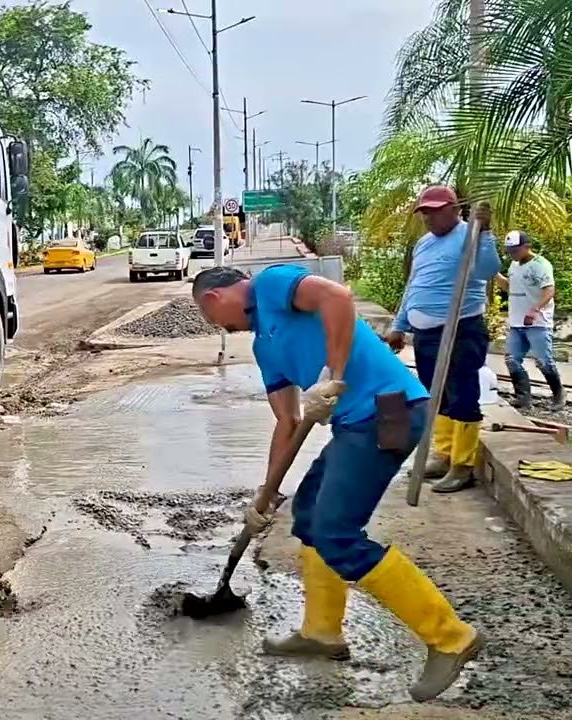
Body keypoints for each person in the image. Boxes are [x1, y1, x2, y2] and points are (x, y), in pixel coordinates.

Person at [191, 263, 482, 703]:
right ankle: (322, 632)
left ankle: (450, 638)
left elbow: (337, 298)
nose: (221, 327)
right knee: (308, 518)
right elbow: (287, 421)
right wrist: (265, 494)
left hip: (390, 410)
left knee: (337, 533)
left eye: (212, 319)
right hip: (355, 423)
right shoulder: (263, 346)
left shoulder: (270, 285)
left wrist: (334, 374)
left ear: (214, 299)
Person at [385, 186, 500, 494]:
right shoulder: (423, 244)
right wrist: (399, 325)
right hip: (426, 334)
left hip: (461, 328)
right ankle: (444, 452)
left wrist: (485, 232)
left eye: (435, 211)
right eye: (424, 212)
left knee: (461, 393)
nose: (428, 218)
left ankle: (462, 465)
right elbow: (413, 287)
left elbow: (489, 270)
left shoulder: (470, 233)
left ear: (454, 209)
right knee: (436, 395)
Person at [495, 230, 562, 410]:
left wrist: (535, 309)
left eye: (515, 250)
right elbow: (510, 287)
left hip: (537, 323)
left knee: (543, 361)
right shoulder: (514, 265)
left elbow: (549, 290)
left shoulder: (540, 265)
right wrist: (495, 275)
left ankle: (558, 395)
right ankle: (523, 399)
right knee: (511, 359)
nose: (512, 254)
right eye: (510, 250)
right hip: (517, 322)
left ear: (527, 246)